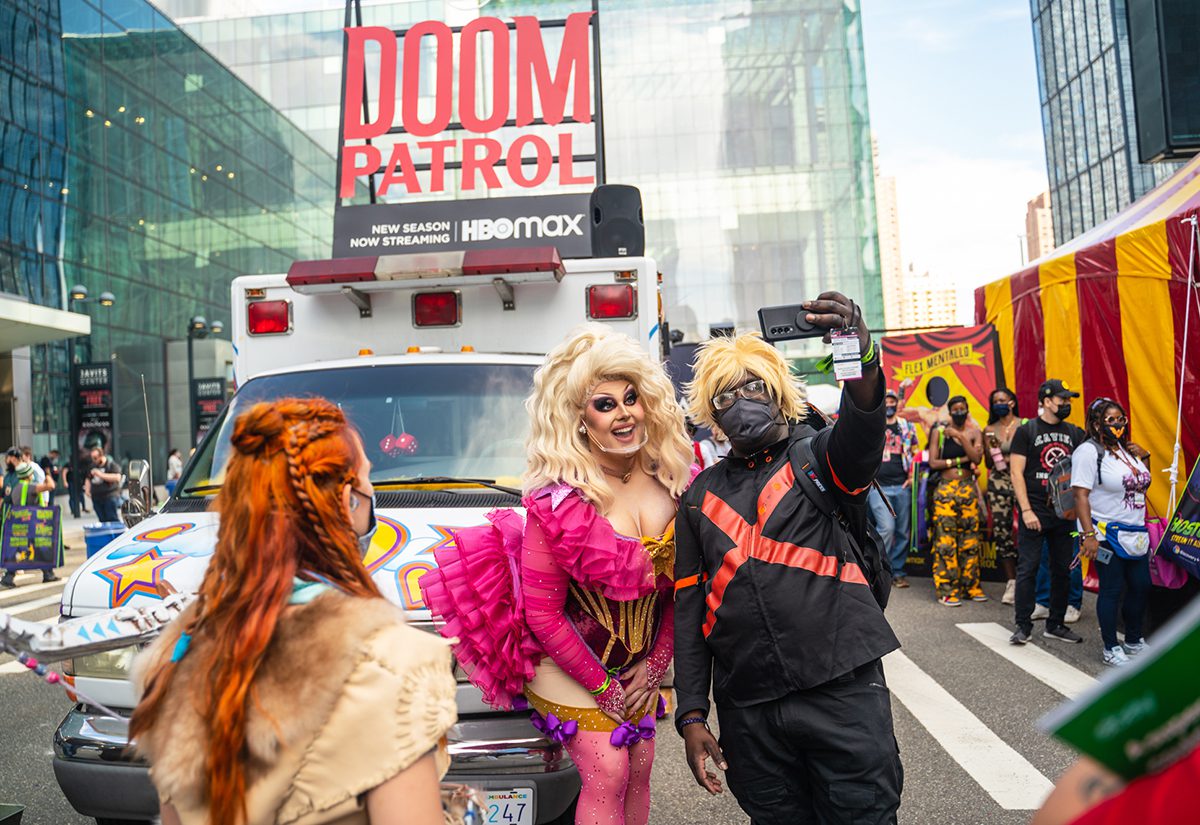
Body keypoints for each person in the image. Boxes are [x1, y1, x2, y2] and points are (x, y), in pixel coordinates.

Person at [130, 397, 455, 825]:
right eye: (369, 478)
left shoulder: (176, 659)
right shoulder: (392, 666)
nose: (372, 493)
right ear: (346, 501)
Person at [422, 324, 696, 825]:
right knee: (609, 769)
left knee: (641, 764)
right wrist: (604, 688)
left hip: (638, 661)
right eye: (604, 404)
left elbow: (682, 591)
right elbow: (543, 615)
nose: (624, 414)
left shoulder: (675, 480)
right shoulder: (561, 501)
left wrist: (657, 662)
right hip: (566, 659)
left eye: (630, 398)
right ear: (579, 419)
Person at [674, 293, 903, 824]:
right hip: (749, 711)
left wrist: (859, 352)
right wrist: (691, 715)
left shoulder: (820, 456)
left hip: (842, 690)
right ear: (712, 414)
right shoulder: (698, 496)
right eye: (727, 395)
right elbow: (689, 611)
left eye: (754, 386)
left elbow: (864, 421)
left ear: (779, 394)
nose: (742, 400)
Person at [1072, 397, 1152, 666]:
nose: (1117, 424)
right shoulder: (1088, 452)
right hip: (1105, 534)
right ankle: (1110, 648)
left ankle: (1133, 641)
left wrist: (1145, 458)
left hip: (1135, 532)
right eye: (1110, 420)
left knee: (1141, 586)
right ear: (1096, 423)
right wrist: (1088, 535)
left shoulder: (1127, 450)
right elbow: (1080, 495)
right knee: (1112, 590)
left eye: (1120, 419)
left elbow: (1139, 487)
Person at [1010, 379, 1088, 646]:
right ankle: (1023, 625)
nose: (1066, 404)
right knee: (1028, 570)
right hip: (1035, 512)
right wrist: (1027, 510)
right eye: (1061, 399)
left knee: (1062, 570)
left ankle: (1055, 624)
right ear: (1045, 401)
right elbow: (1016, 473)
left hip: (1064, 514)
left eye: (1068, 400)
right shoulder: (1027, 431)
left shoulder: (1075, 433)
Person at [928, 395, 985, 606]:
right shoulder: (939, 432)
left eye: (963, 408)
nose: (959, 412)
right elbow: (934, 462)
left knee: (970, 540)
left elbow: (978, 459)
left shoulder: (974, 433)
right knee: (945, 541)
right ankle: (947, 589)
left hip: (968, 489)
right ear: (950, 412)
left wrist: (961, 439)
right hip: (946, 491)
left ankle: (971, 586)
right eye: (956, 409)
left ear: (967, 411)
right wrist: (962, 459)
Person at [872, 388, 919, 588]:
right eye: (886, 402)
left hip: (902, 486)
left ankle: (897, 572)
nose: (889, 405)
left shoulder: (907, 427)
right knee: (886, 529)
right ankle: (880, 571)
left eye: (893, 402)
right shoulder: (872, 427)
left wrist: (912, 476)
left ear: (897, 404)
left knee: (903, 532)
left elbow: (916, 454)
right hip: (878, 488)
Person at [984, 388, 1022, 604]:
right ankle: (1012, 582)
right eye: (995, 400)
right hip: (998, 483)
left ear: (1012, 402)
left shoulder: (1025, 425)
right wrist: (992, 450)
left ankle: (1028, 581)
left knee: (1028, 531)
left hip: (1022, 482)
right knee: (1001, 532)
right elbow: (989, 465)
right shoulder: (989, 429)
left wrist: (1008, 458)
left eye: (1003, 400)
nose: (999, 403)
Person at [0, 455, 60, 587]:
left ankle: (9, 577)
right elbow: (50, 485)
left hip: (20, 526)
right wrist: (47, 473)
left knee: (19, 549)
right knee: (40, 547)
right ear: (28, 475)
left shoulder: (16, 489)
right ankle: (47, 573)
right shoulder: (31, 488)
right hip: (31, 525)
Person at [85, 445, 122, 523]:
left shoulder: (111, 465)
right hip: (96, 497)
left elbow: (117, 477)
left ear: (101, 456)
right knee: (102, 520)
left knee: (112, 518)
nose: (94, 460)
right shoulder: (92, 466)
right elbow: (88, 479)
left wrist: (100, 474)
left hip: (109, 495)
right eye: (92, 458)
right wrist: (87, 490)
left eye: (95, 457)